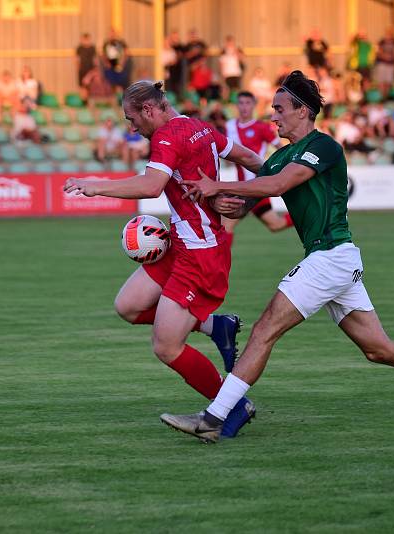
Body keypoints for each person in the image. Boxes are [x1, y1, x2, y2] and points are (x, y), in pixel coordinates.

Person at [159, 71, 394, 443]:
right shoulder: (280, 157)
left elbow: (279, 185)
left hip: (331, 258)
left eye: (279, 109)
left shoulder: (324, 147)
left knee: (263, 330)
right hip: (337, 262)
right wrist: (220, 199)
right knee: (378, 350)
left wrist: (219, 184)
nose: (273, 116)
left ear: (303, 111)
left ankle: (213, 418)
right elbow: (247, 205)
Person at [62, 80, 270, 438]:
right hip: (181, 242)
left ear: (148, 110)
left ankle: (230, 408)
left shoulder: (167, 137)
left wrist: (96, 183)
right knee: (128, 306)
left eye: (131, 119)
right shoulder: (200, 126)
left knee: (166, 346)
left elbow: (150, 186)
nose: (132, 127)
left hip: (199, 254)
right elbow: (252, 160)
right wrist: (250, 199)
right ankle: (215, 326)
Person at [224, 91, 291, 235]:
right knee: (276, 225)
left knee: (225, 227)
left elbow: (282, 148)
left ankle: (219, 259)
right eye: (241, 103)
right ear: (236, 105)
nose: (244, 107)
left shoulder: (262, 127)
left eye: (248, 103)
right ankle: (306, 213)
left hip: (254, 187)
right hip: (246, 186)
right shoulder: (229, 127)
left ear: (254, 105)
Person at [374, 28, 394, 97]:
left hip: (390, 64)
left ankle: (386, 96)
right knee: (381, 81)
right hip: (382, 64)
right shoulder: (381, 41)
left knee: (388, 81)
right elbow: (377, 51)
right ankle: (380, 96)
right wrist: (385, 56)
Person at [76, 33, 97, 101]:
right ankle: (83, 100)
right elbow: (77, 59)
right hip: (82, 70)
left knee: (90, 86)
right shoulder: (79, 48)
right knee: (82, 86)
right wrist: (78, 68)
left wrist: (94, 70)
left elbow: (95, 59)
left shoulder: (92, 48)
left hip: (90, 70)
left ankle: (90, 100)